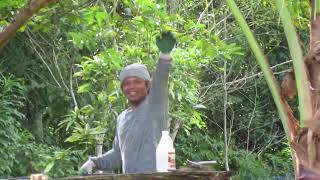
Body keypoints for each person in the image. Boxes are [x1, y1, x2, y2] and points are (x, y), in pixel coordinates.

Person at [79, 31, 176, 174]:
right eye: (127, 83)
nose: (131, 87)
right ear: (122, 88)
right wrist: (94, 162)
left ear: (147, 85)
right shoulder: (122, 118)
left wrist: (164, 55)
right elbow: (118, 155)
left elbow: (161, 81)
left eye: (137, 82)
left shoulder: (155, 105)